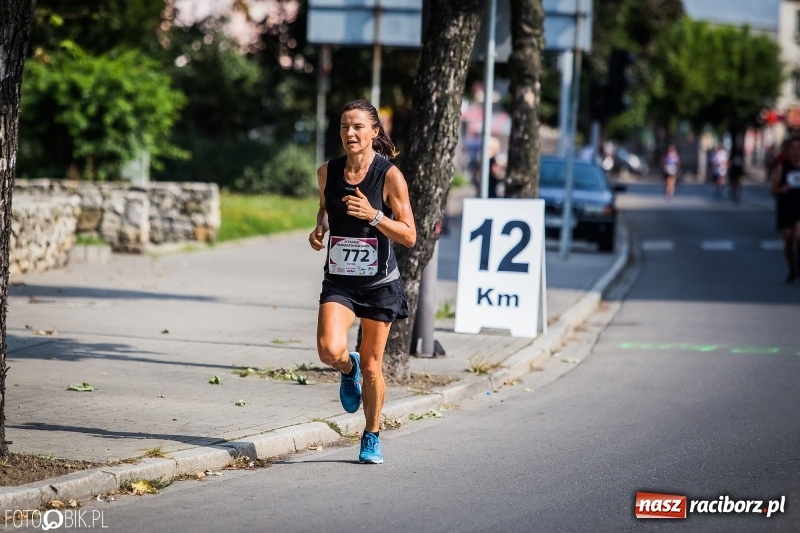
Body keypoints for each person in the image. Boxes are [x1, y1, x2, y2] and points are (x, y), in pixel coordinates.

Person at [308, 99, 416, 464]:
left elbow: (409, 235)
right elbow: (326, 208)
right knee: (328, 350)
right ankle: (346, 367)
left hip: (379, 283)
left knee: (374, 365)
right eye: (344, 126)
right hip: (339, 279)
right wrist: (320, 227)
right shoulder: (327, 171)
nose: (350, 133)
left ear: (374, 131)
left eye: (357, 127)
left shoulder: (389, 176)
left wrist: (374, 216)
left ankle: (371, 434)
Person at [770, 136, 800, 283]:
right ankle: (792, 267)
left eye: (799, 148)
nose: (796, 152)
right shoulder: (783, 167)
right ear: (789, 150)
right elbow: (773, 189)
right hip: (787, 207)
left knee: (799, 237)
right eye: (794, 148)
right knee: (788, 239)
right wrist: (780, 189)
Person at [728, 140, 745, 205]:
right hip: (734, 170)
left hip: (739, 171)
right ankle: (734, 193)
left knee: (739, 183)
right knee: (734, 184)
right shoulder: (733, 153)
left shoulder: (741, 153)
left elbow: (743, 162)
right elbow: (730, 161)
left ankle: (737, 196)